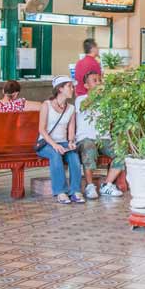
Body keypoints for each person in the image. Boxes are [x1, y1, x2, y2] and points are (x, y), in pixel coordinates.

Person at [74, 71, 125, 199]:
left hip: (104, 139)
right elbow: (83, 107)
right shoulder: (81, 99)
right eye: (94, 80)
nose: (98, 83)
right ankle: (90, 186)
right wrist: (96, 94)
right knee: (89, 147)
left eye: (99, 80)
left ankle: (106, 185)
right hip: (85, 139)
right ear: (86, 85)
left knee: (122, 153)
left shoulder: (107, 102)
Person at [36, 76, 85, 204]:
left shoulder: (71, 108)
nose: (72, 89)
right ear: (60, 89)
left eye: (72, 86)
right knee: (55, 154)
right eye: (69, 86)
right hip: (46, 142)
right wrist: (54, 145)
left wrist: (71, 142)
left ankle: (75, 191)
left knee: (74, 156)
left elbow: (71, 129)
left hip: (63, 142)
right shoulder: (46, 105)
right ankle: (61, 192)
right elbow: (42, 130)